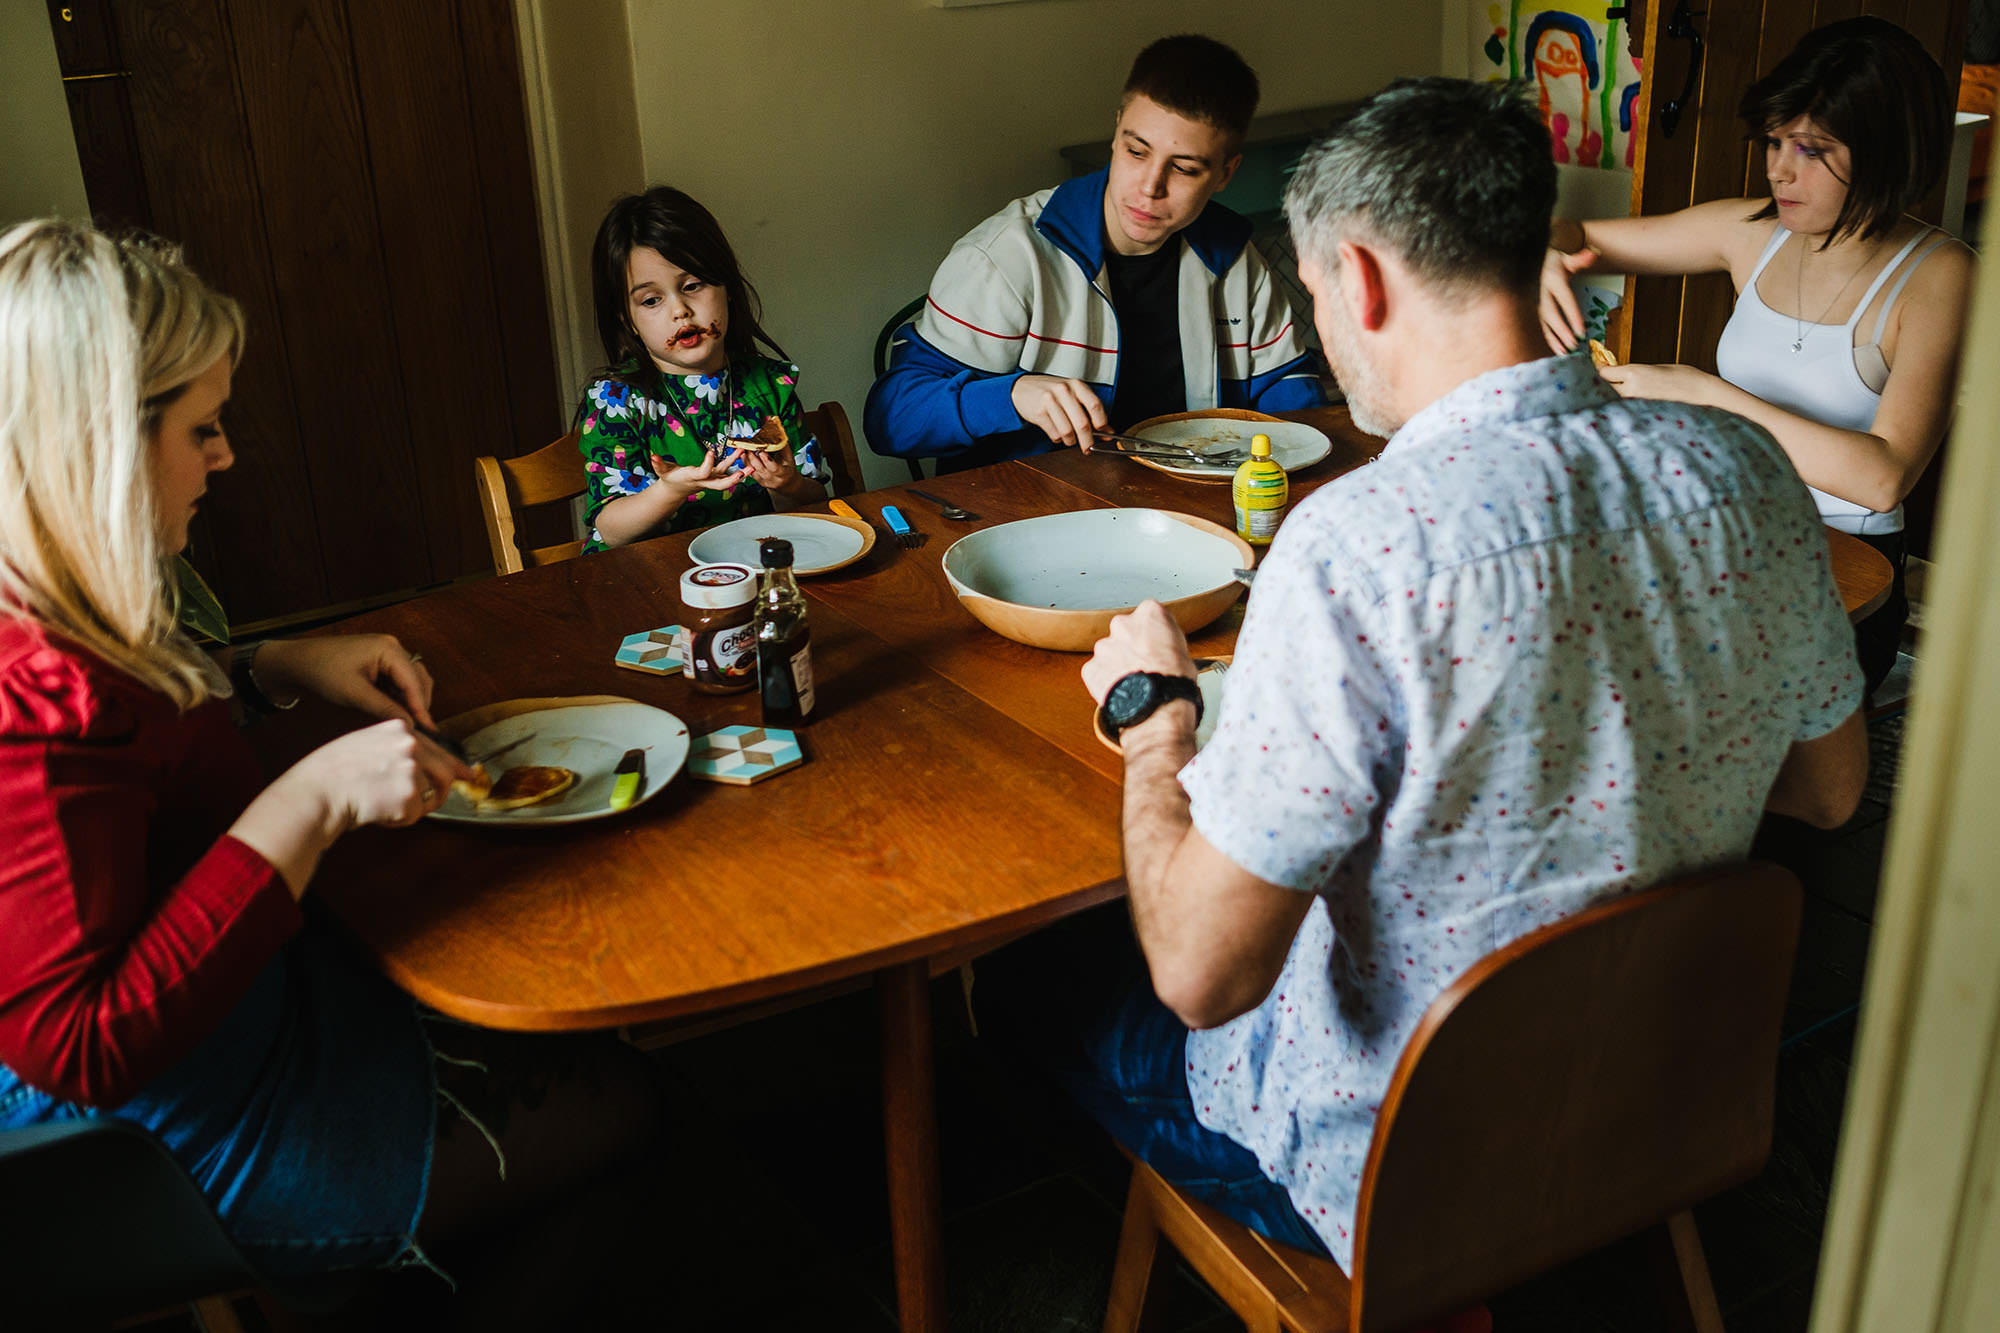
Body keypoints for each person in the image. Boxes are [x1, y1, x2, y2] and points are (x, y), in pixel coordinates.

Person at [978, 78, 1868, 1275]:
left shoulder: (1358, 543)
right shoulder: (1741, 468)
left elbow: (1199, 976)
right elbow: (1826, 793)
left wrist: (1152, 720)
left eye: (1311, 296)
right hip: (1667, 1102)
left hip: (1402, 1170)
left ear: (1359, 275)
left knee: (1029, 976)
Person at [0, 222, 658, 1296]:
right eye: (203, 428)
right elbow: (76, 1046)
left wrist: (267, 661)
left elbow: (133, 756)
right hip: (144, 1142)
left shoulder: (56, 590)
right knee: (624, 1110)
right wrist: (311, 799)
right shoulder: (27, 698)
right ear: (102, 447)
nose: (223, 457)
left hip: (238, 1022)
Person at [1540, 16, 1974, 695]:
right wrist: (1545, 252)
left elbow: (1884, 476)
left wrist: (1705, 396)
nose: (1778, 169)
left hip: (1848, 569)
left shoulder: (1940, 275)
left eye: (1810, 149)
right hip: (1731, 529)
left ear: (1885, 151)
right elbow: (1574, 233)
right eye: (1775, 142)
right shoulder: (1752, 233)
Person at [864, 34, 1326, 473]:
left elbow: (1294, 405)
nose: (1150, 187)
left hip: (1185, 514)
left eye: (1184, 168)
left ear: (1225, 174)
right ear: (1116, 133)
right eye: (1136, 151)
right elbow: (891, 420)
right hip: (1030, 522)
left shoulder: (1234, 259)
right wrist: (1010, 397)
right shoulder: (1008, 255)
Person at [578, 186, 827, 552]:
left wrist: (787, 484)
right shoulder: (615, 401)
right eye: (651, 300)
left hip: (748, 569)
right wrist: (670, 490)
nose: (679, 310)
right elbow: (612, 529)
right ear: (628, 320)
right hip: (646, 584)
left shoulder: (771, 385)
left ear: (726, 286)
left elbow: (814, 501)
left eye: (692, 285)